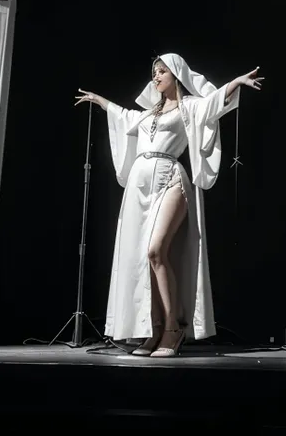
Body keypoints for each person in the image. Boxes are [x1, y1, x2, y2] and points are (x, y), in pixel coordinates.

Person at [75, 53, 263, 357]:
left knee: (155, 250)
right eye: (153, 72)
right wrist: (100, 100)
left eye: (161, 71)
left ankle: (174, 330)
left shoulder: (188, 107)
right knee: (144, 256)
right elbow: (123, 116)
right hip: (140, 185)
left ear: (176, 74)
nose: (156, 77)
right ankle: (156, 327)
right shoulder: (149, 113)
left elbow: (214, 102)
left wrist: (237, 82)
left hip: (171, 178)